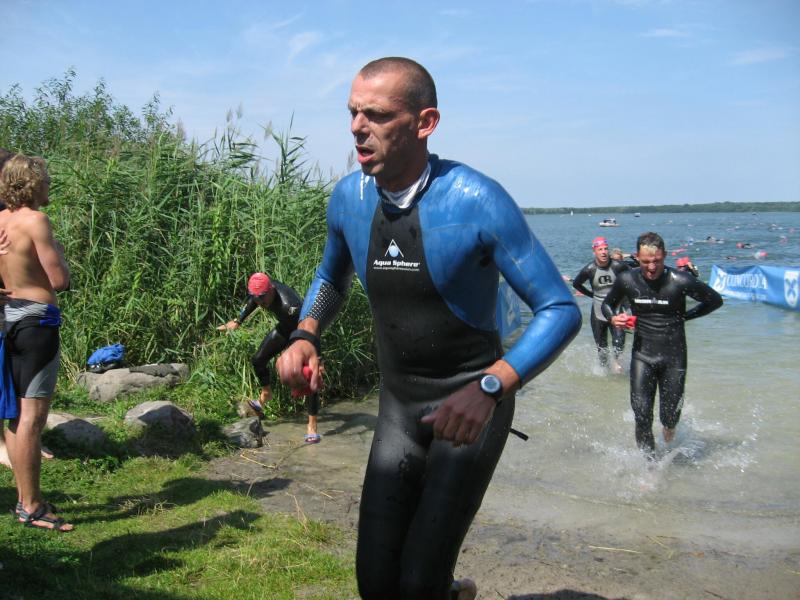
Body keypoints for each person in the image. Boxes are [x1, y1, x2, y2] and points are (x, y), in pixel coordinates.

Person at [276, 57, 581, 599]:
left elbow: (559, 309)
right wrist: (306, 333)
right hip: (399, 406)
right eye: (352, 113)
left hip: (470, 406)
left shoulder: (476, 200)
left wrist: (491, 387)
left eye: (376, 114)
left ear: (425, 122)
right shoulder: (348, 198)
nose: (357, 128)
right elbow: (331, 277)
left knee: (419, 582)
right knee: (375, 583)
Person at [0, 154, 72, 531]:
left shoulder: (1, 221)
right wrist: (57, 249)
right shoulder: (36, 220)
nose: (48, 185)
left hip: (9, 319)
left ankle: (25, 499)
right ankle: (31, 506)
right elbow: (59, 280)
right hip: (37, 322)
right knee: (32, 417)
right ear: (31, 184)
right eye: (45, 180)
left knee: (16, 415)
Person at [602, 232, 722, 455]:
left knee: (669, 418)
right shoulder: (627, 280)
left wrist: (686, 316)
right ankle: (650, 465)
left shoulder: (680, 280)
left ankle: (670, 426)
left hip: (673, 357)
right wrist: (613, 318)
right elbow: (607, 304)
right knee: (642, 416)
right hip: (642, 356)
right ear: (637, 257)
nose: (651, 267)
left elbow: (715, 301)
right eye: (646, 261)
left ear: (665, 256)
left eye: (657, 261)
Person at [218, 272, 320, 443]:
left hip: (303, 334)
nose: (261, 303)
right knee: (258, 360)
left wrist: (307, 353)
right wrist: (238, 321)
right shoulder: (261, 292)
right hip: (285, 328)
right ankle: (266, 394)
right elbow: (253, 300)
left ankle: (312, 426)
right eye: (257, 299)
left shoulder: (289, 304)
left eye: (263, 298)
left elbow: (309, 325)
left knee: (309, 374)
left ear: (271, 289)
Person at [572, 236, 629, 372]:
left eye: (605, 249)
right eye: (600, 249)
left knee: (619, 341)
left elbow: (634, 277)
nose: (603, 252)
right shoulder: (589, 269)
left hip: (616, 309)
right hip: (598, 313)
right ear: (594, 251)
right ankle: (605, 372)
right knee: (602, 349)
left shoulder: (618, 266)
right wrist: (591, 295)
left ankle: (616, 362)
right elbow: (576, 284)